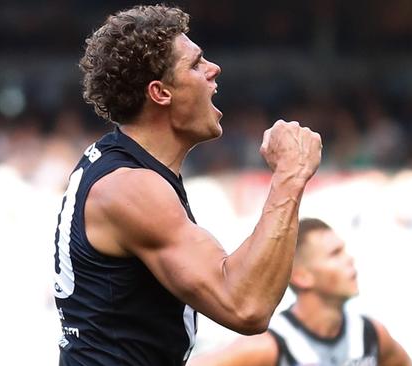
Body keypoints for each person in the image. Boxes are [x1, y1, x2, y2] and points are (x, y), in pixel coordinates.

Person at [52, 4, 322, 366]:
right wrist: (290, 174)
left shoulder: (125, 168)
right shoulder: (131, 188)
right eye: (196, 64)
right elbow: (245, 306)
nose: (214, 70)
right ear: (160, 93)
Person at [189, 218, 412, 366]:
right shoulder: (269, 347)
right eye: (335, 254)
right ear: (301, 276)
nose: (350, 259)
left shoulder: (370, 335)